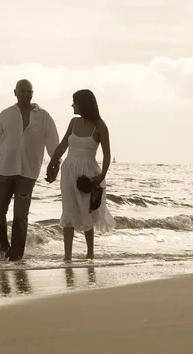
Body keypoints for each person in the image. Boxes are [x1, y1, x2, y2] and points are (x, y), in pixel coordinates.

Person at [0, 80, 60, 261]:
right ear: (15, 92)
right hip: (4, 170)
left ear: (33, 93)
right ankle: (4, 246)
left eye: (29, 91)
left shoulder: (44, 116)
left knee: (21, 215)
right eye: (22, 91)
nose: (26, 94)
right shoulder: (5, 115)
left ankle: (17, 254)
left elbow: (54, 146)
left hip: (28, 173)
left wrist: (55, 166)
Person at [46, 89, 115, 261]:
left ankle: (90, 254)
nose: (72, 105)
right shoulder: (73, 122)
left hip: (87, 172)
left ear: (82, 104)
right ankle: (67, 256)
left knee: (86, 211)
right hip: (69, 169)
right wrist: (51, 163)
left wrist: (101, 176)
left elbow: (107, 154)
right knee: (68, 211)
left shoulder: (100, 126)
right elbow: (62, 146)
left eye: (74, 101)